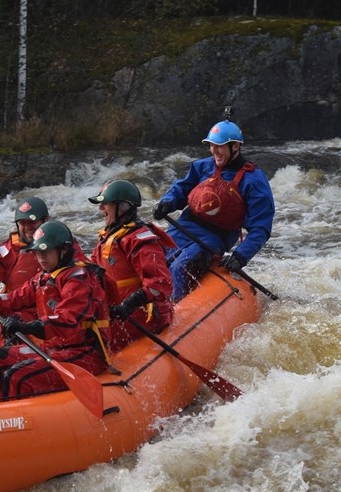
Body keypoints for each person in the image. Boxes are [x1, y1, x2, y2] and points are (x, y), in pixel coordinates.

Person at [0, 220, 110, 400]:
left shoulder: (78, 280)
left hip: (84, 353)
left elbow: (66, 321)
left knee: (17, 375)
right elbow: (12, 299)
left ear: (64, 250)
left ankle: (21, 415)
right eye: (38, 253)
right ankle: (4, 410)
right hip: (54, 349)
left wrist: (25, 326)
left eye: (46, 252)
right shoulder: (42, 278)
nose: (41, 258)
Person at [153, 119, 275, 301]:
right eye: (211, 146)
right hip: (182, 228)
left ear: (235, 146)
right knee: (153, 258)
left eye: (219, 146)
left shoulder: (254, 180)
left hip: (213, 239)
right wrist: (167, 203)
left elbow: (261, 228)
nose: (214, 151)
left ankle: (171, 313)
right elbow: (181, 189)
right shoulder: (203, 166)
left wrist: (240, 257)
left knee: (181, 267)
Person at [0, 196, 86, 341]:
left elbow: (83, 276)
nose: (28, 227)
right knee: (8, 328)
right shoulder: (4, 252)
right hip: (19, 315)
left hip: (57, 313)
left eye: (32, 222)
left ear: (45, 221)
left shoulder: (63, 245)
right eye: (23, 223)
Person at [87, 179, 177, 349]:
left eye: (105, 204)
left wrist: (127, 305)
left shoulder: (141, 239)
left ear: (121, 206)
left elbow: (160, 283)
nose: (101, 208)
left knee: (93, 343)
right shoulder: (108, 235)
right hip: (119, 313)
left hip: (144, 316)